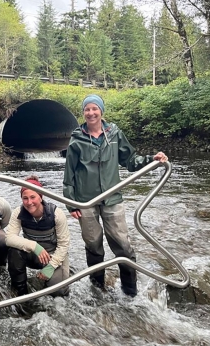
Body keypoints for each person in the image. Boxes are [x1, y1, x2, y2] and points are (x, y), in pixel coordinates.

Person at [63, 94, 169, 297]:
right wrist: (71, 203)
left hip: (112, 199)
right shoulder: (76, 139)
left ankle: (130, 292)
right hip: (86, 202)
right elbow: (69, 174)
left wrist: (151, 159)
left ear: (101, 111)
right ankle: (97, 289)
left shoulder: (114, 134)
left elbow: (130, 160)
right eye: (87, 109)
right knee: (93, 245)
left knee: (122, 245)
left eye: (95, 108)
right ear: (83, 112)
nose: (91, 112)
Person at [5, 175, 70, 297]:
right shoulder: (18, 213)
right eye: (25, 198)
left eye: (33, 197)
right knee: (13, 251)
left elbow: (64, 245)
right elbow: (9, 238)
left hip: (53, 256)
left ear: (40, 197)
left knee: (58, 292)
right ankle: (21, 292)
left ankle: (54, 278)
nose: (29, 202)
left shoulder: (57, 214)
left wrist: (51, 266)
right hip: (34, 255)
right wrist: (34, 246)